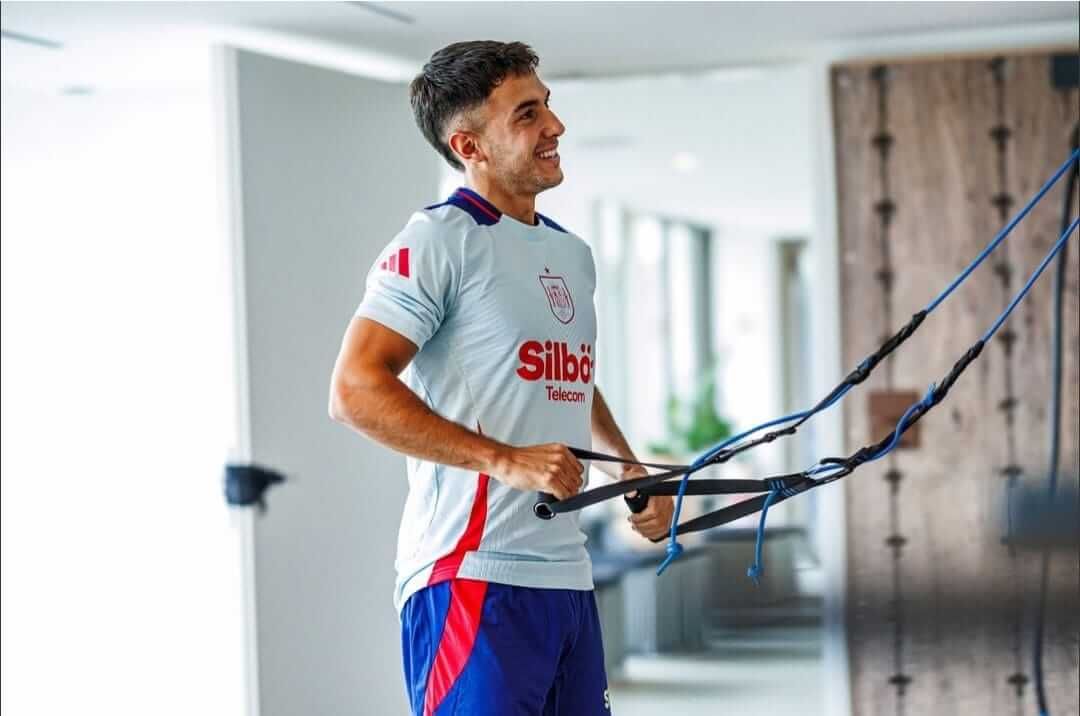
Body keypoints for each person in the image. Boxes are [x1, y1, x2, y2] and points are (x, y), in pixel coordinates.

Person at [328, 40, 674, 716]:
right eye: (526, 114)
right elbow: (354, 389)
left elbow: (568, 377)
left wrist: (627, 470)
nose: (555, 126)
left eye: (547, 105)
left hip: (565, 577)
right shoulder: (438, 241)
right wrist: (503, 459)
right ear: (470, 146)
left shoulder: (571, 253)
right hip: (472, 575)